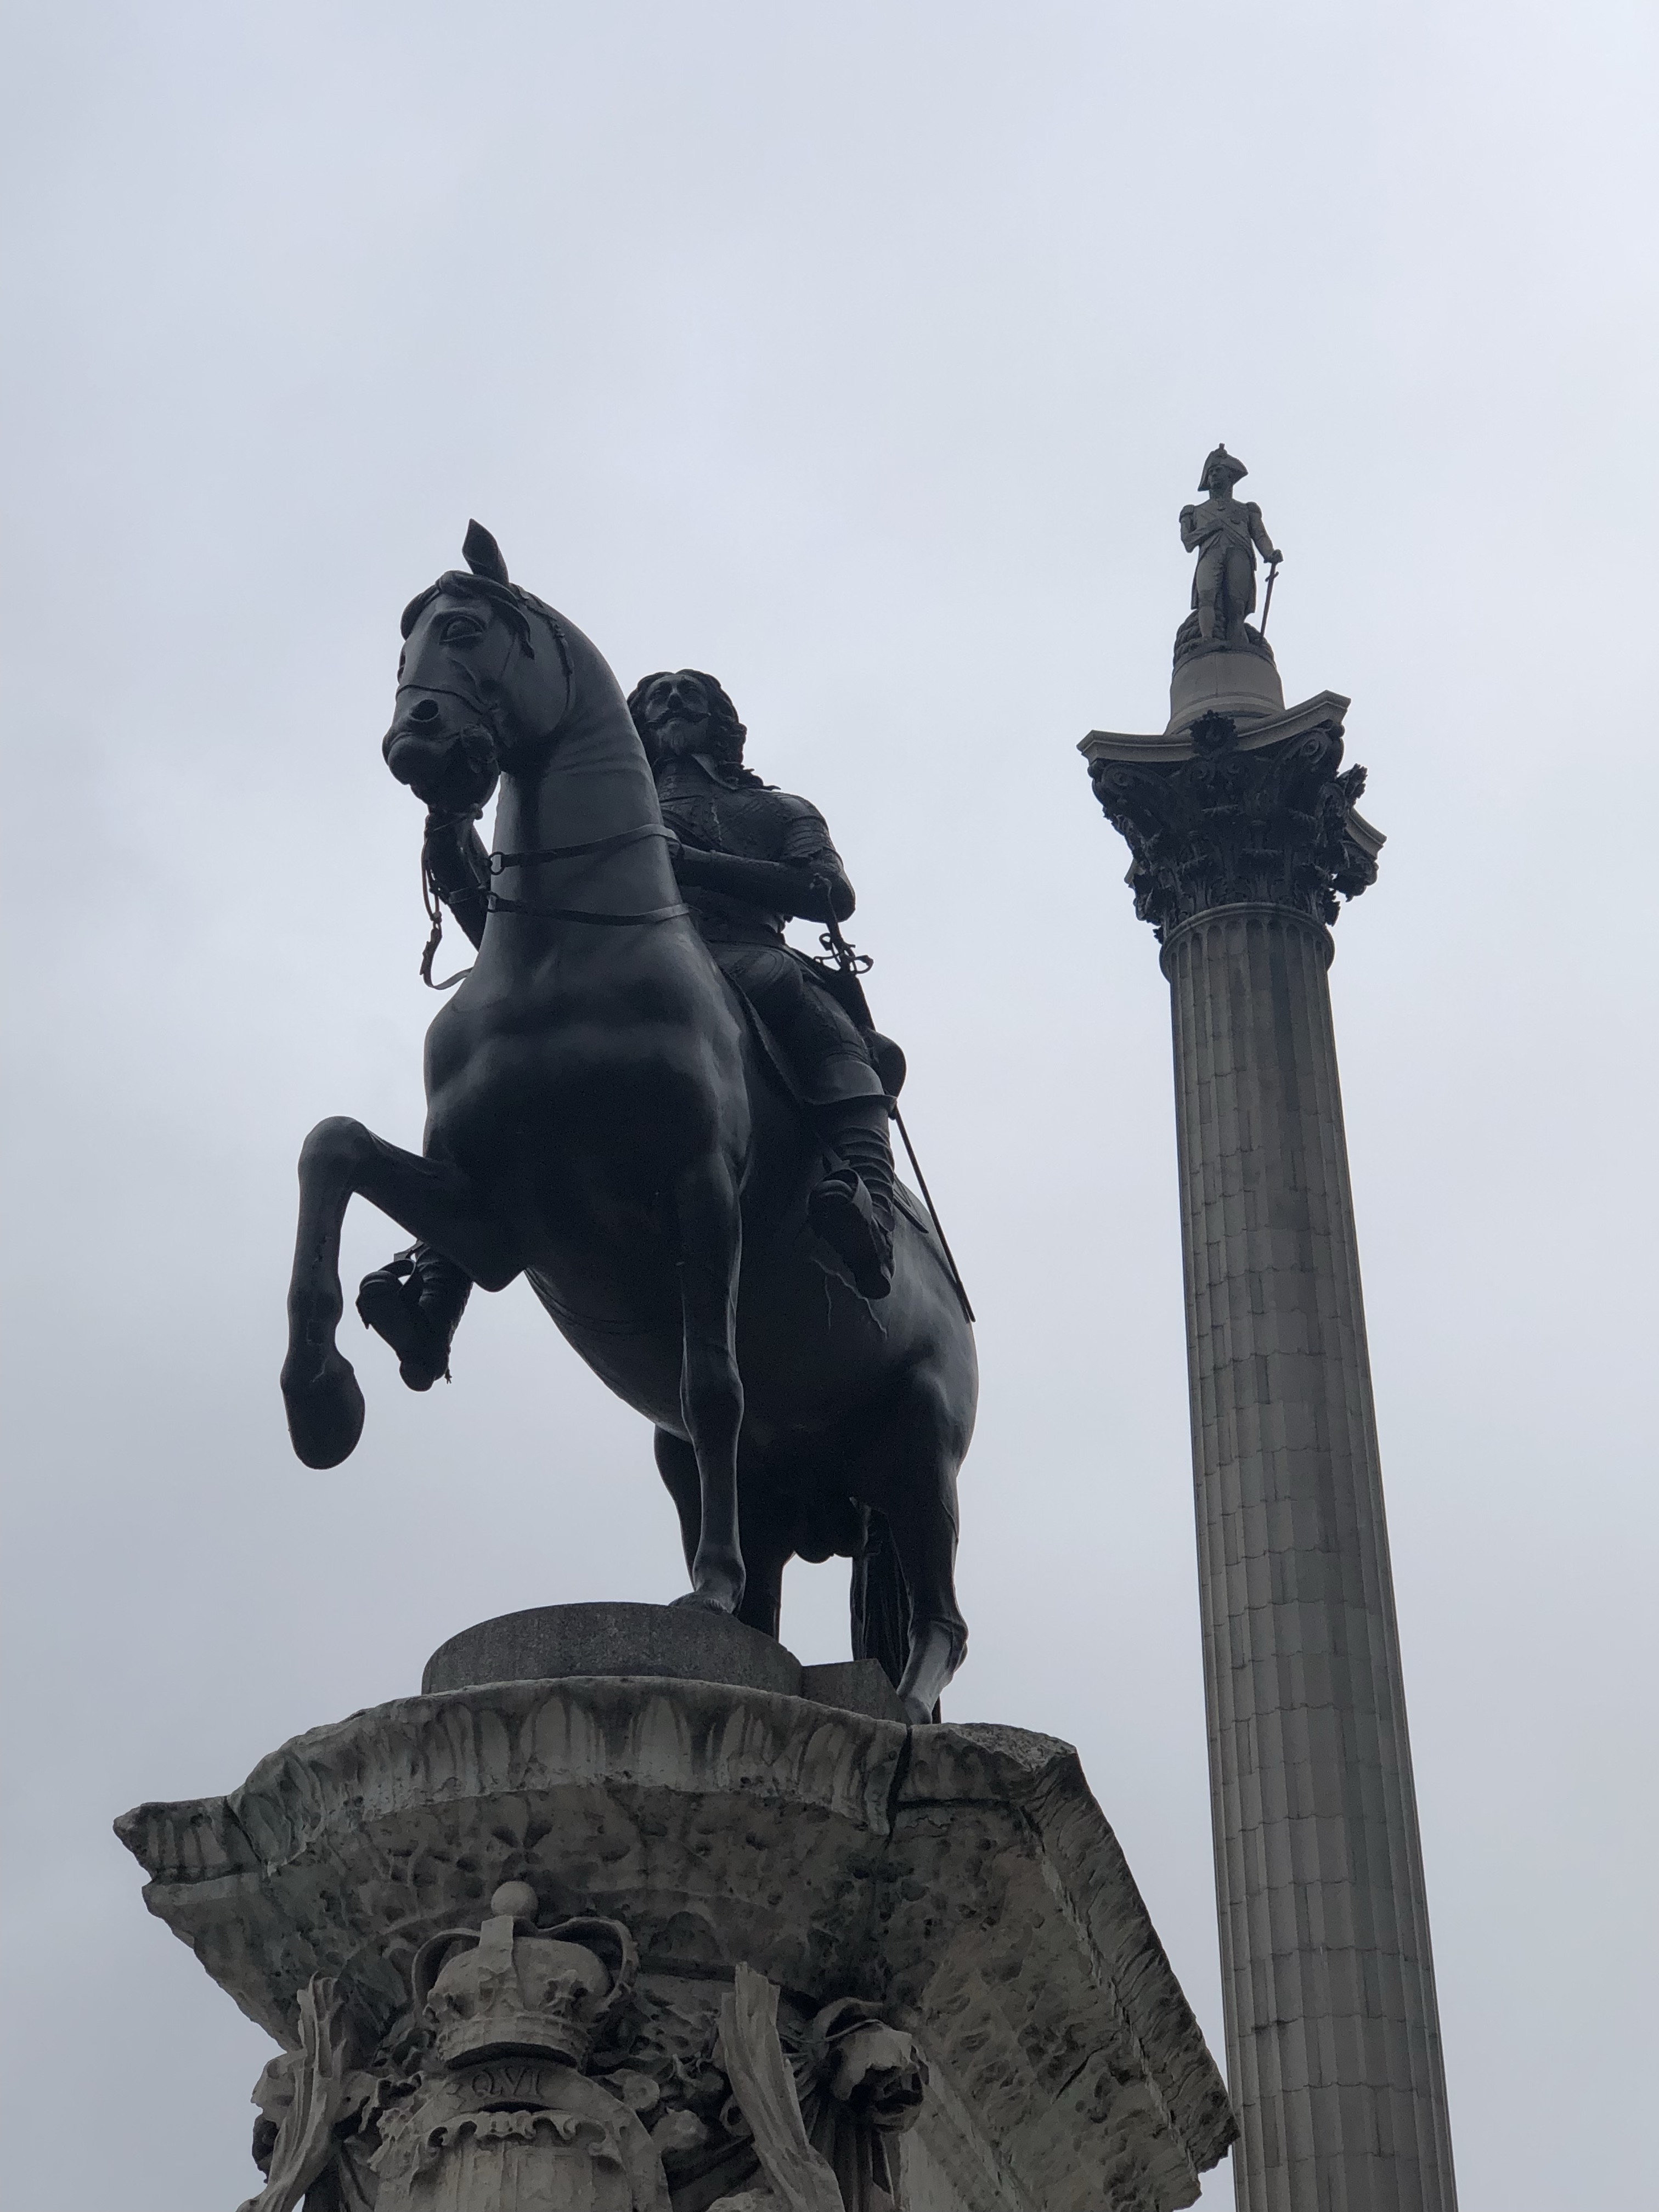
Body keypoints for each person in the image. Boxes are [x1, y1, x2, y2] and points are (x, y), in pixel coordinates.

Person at [356, 670, 900, 1392]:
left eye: (690, 697)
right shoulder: (599, 811)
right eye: (658, 699)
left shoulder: (777, 808)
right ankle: (435, 1293)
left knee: (823, 1022)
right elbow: (500, 926)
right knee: (492, 1054)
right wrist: (448, 826)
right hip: (618, 968)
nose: (673, 704)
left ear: (721, 723)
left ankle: (871, 1212)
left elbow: (829, 891)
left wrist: (694, 863)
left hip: (745, 955)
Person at [1180, 444, 1283, 643]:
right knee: (1207, 597)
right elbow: (1188, 542)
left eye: (1218, 470)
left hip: (1239, 553)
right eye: (1211, 472)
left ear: (1230, 475)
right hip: (1210, 554)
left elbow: (1260, 535)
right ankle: (1207, 640)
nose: (1214, 475)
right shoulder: (1194, 512)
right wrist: (1211, 528)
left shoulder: (1247, 509)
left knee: (1237, 606)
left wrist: (1270, 554)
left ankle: (1239, 644)